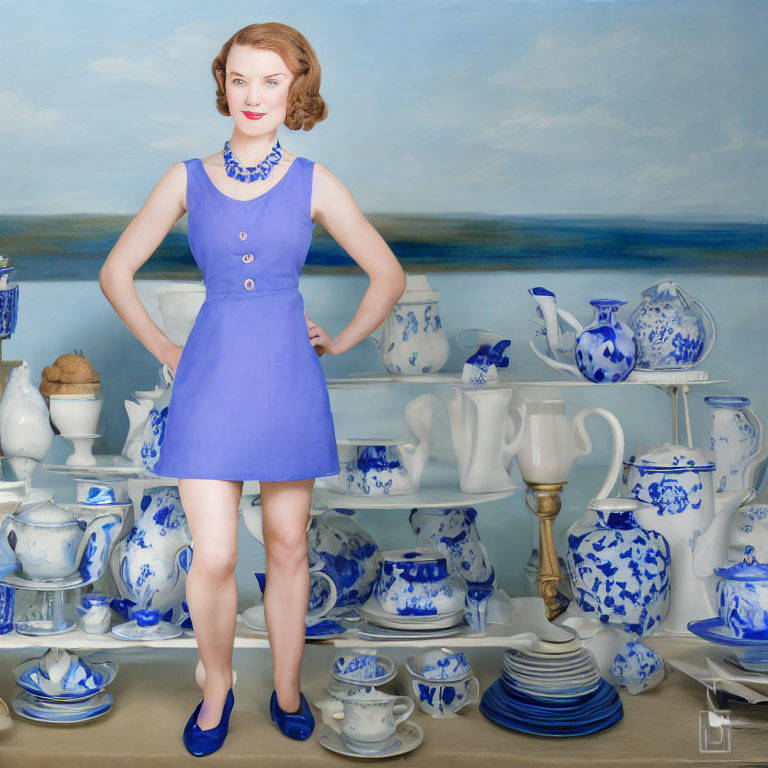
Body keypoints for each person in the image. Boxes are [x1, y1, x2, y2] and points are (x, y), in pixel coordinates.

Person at [99, 21, 406, 757]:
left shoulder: (313, 180)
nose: (253, 94)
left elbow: (388, 275)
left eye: (271, 79)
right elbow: (115, 273)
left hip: (287, 381)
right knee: (212, 557)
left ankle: (290, 688)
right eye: (239, 78)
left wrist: (341, 338)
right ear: (222, 85)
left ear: (297, 87)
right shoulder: (185, 177)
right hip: (208, 383)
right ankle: (217, 686)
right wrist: (169, 347)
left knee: (288, 544)